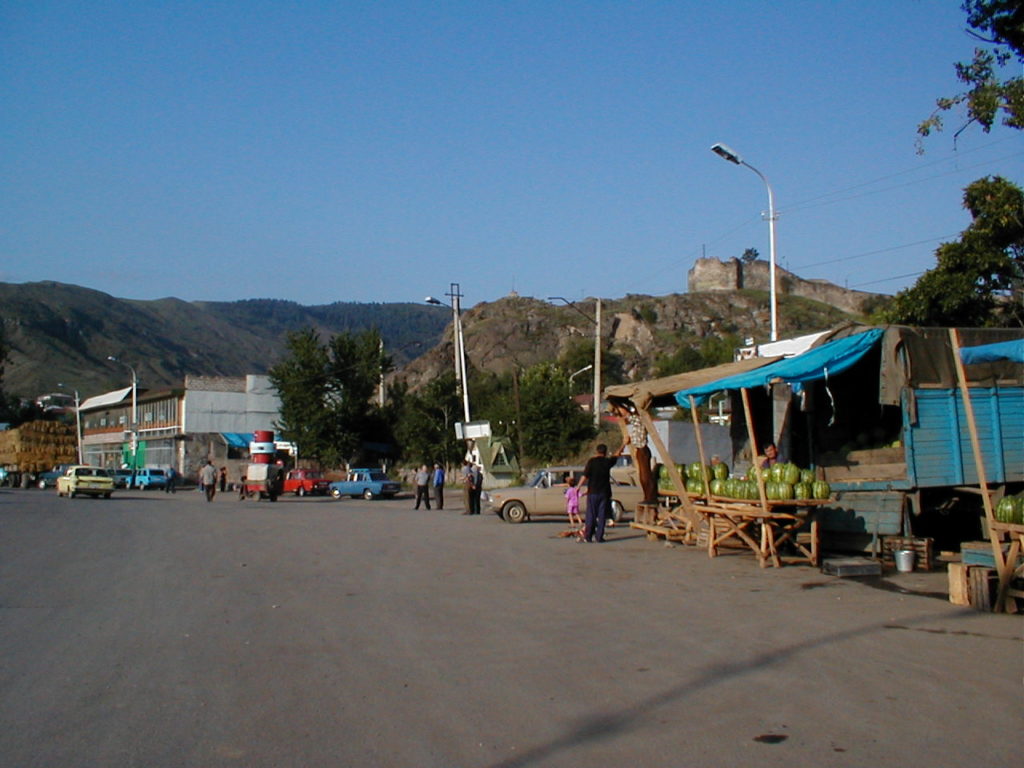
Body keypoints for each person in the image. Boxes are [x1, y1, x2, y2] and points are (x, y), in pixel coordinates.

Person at [578, 444, 619, 543]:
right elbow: (616, 455)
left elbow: (585, 475)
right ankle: (599, 537)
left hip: (593, 492)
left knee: (591, 515)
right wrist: (624, 444)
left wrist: (578, 486)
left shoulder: (592, 462)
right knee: (602, 515)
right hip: (604, 492)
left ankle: (588, 536)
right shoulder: (607, 462)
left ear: (597, 451)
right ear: (605, 452)